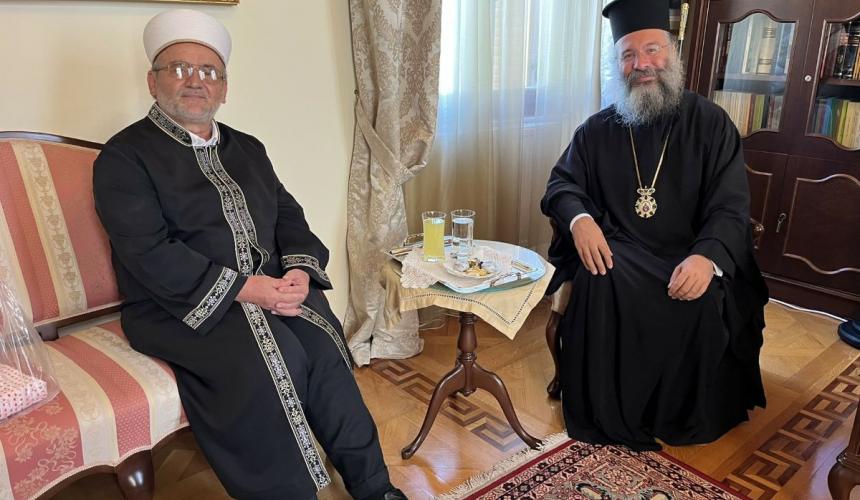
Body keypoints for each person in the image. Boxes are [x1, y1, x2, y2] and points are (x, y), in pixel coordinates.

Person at [93, 9, 405, 500]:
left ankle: (374, 486)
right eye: (180, 68)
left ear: (224, 89)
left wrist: (300, 270)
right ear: (153, 82)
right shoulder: (124, 157)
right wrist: (245, 289)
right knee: (273, 357)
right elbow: (148, 252)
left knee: (324, 344)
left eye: (209, 72)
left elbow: (288, 216)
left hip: (271, 289)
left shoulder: (249, 148)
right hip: (177, 307)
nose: (195, 81)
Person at [540, 0, 768, 451]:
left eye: (651, 50)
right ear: (617, 65)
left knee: (701, 300)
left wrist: (707, 258)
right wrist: (581, 221)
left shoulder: (711, 124)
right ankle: (608, 409)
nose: (641, 64)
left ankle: (674, 414)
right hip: (622, 254)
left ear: (672, 53)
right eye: (628, 55)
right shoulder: (596, 131)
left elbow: (731, 207)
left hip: (689, 254)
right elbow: (560, 185)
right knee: (598, 275)